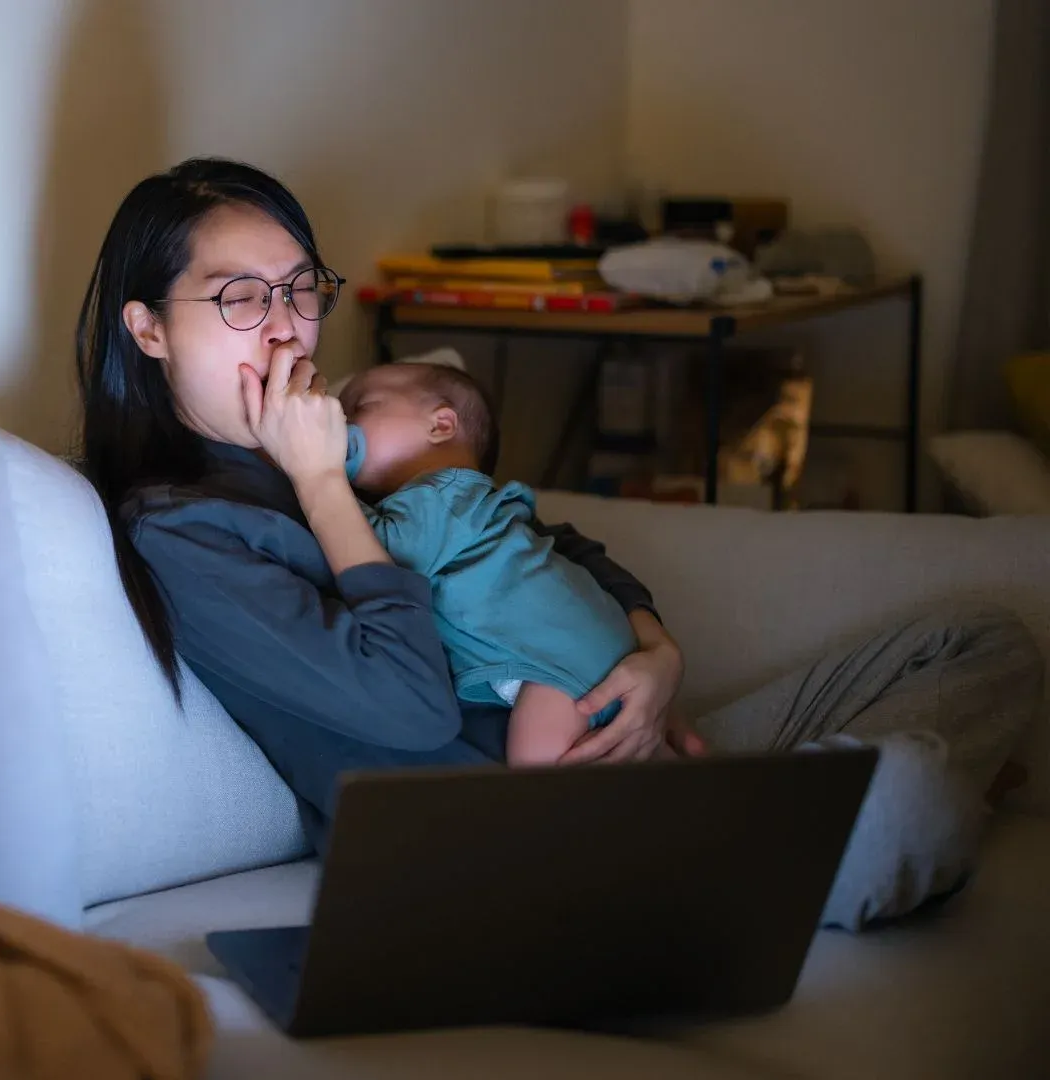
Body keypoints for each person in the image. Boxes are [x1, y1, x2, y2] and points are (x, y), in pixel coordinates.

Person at [73, 156, 1041, 931]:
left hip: (624, 748)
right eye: (241, 298)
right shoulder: (186, 529)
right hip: (528, 843)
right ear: (148, 328)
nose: (288, 332)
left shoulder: (328, 440)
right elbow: (405, 709)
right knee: (905, 801)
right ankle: (807, 835)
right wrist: (323, 486)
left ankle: (789, 827)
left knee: (979, 637)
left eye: (300, 290)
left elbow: (538, 529)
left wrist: (655, 653)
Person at [338, 360, 636, 765]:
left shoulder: (443, 494)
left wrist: (322, 478)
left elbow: (383, 555)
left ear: (441, 425)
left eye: (361, 406)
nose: (342, 420)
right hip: (586, 649)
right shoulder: (464, 502)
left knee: (539, 784)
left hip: (561, 664)